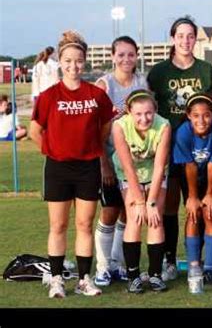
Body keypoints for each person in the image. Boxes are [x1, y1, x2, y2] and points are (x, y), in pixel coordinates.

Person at [29, 30, 115, 298]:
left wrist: (90, 148)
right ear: (60, 61)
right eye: (67, 60)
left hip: (88, 167)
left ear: (84, 61)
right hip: (58, 168)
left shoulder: (96, 95)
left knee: (84, 225)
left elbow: (106, 126)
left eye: (78, 60)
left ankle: (84, 279)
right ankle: (56, 280)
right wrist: (52, 150)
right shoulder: (49, 96)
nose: (73, 66)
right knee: (58, 226)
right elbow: (34, 130)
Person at [147, 17, 212, 282]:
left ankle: (198, 260)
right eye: (181, 35)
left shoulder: (205, 70)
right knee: (171, 205)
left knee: (200, 205)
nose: (185, 40)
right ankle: (168, 259)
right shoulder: (159, 72)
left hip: (201, 147)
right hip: (170, 146)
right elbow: (150, 107)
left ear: (195, 39)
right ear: (172, 38)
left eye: (190, 36)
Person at [93, 36, 148, 287]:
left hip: (134, 161)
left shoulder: (140, 82)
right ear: (113, 56)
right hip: (110, 160)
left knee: (129, 212)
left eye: (131, 54)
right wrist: (104, 163)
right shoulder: (105, 85)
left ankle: (116, 264)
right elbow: (95, 130)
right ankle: (102, 267)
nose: (126, 59)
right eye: (121, 54)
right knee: (109, 211)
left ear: (137, 56)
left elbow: (146, 118)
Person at [111, 90, 171, 293]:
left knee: (155, 219)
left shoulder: (163, 125)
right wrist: (139, 201)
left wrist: (151, 202)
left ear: (155, 110)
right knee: (134, 218)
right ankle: (133, 276)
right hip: (129, 175)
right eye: (138, 114)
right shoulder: (119, 127)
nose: (144, 118)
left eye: (148, 113)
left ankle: (155, 275)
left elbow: (160, 166)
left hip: (155, 173)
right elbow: (127, 167)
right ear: (129, 111)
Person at [173, 93, 212, 291]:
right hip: (190, 177)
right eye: (196, 115)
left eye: (206, 115)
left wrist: (210, 194)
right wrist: (192, 196)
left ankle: (210, 269)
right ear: (189, 115)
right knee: (193, 214)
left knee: (210, 214)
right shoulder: (183, 132)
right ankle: (193, 265)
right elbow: (189, 165)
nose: (201, 120)